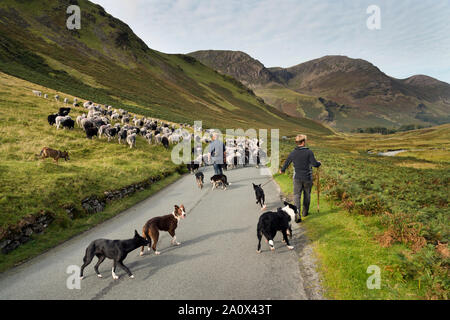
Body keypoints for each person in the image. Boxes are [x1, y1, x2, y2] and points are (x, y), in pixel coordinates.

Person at [279, 134, 321, 222]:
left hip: (297, 178)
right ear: (303, 142)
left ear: (297, 143)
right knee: (307, 195)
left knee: (297, 196)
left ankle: (297, 214)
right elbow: (314, 164)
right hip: (307, 178)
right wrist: (319, 163)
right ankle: (305, 212)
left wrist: (282, 170)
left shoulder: (293, 152)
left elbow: (287, 162)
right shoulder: (309, 152)